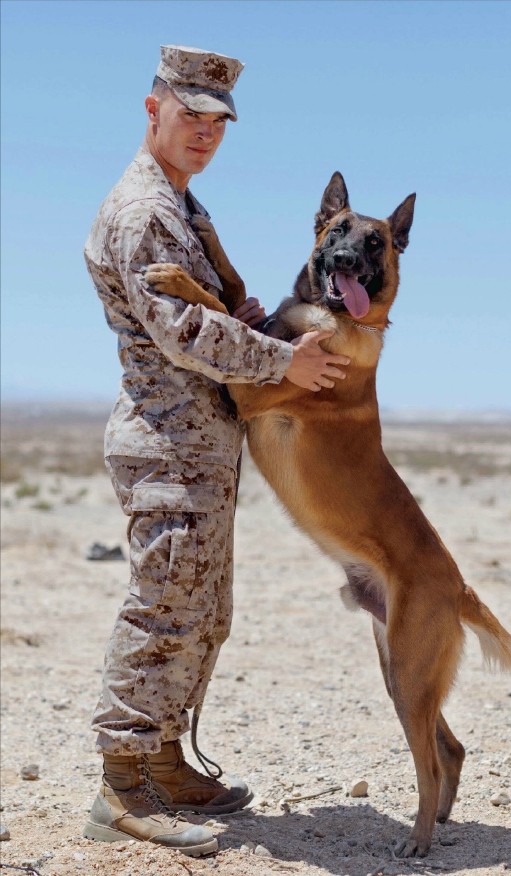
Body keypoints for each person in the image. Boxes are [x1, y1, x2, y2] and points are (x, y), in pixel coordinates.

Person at [82, 45, 350, 857]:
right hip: (165, 443)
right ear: (152, 107)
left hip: (199, 445)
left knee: (202, 612)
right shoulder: (145, 211)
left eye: (217, 122)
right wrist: (283, 360)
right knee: (163, 606)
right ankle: (123, 788)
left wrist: (253, 320)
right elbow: (182, 330)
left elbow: (209, 309)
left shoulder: (186, 208)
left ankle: (164, 757)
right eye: (189, 115)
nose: (204, 132)